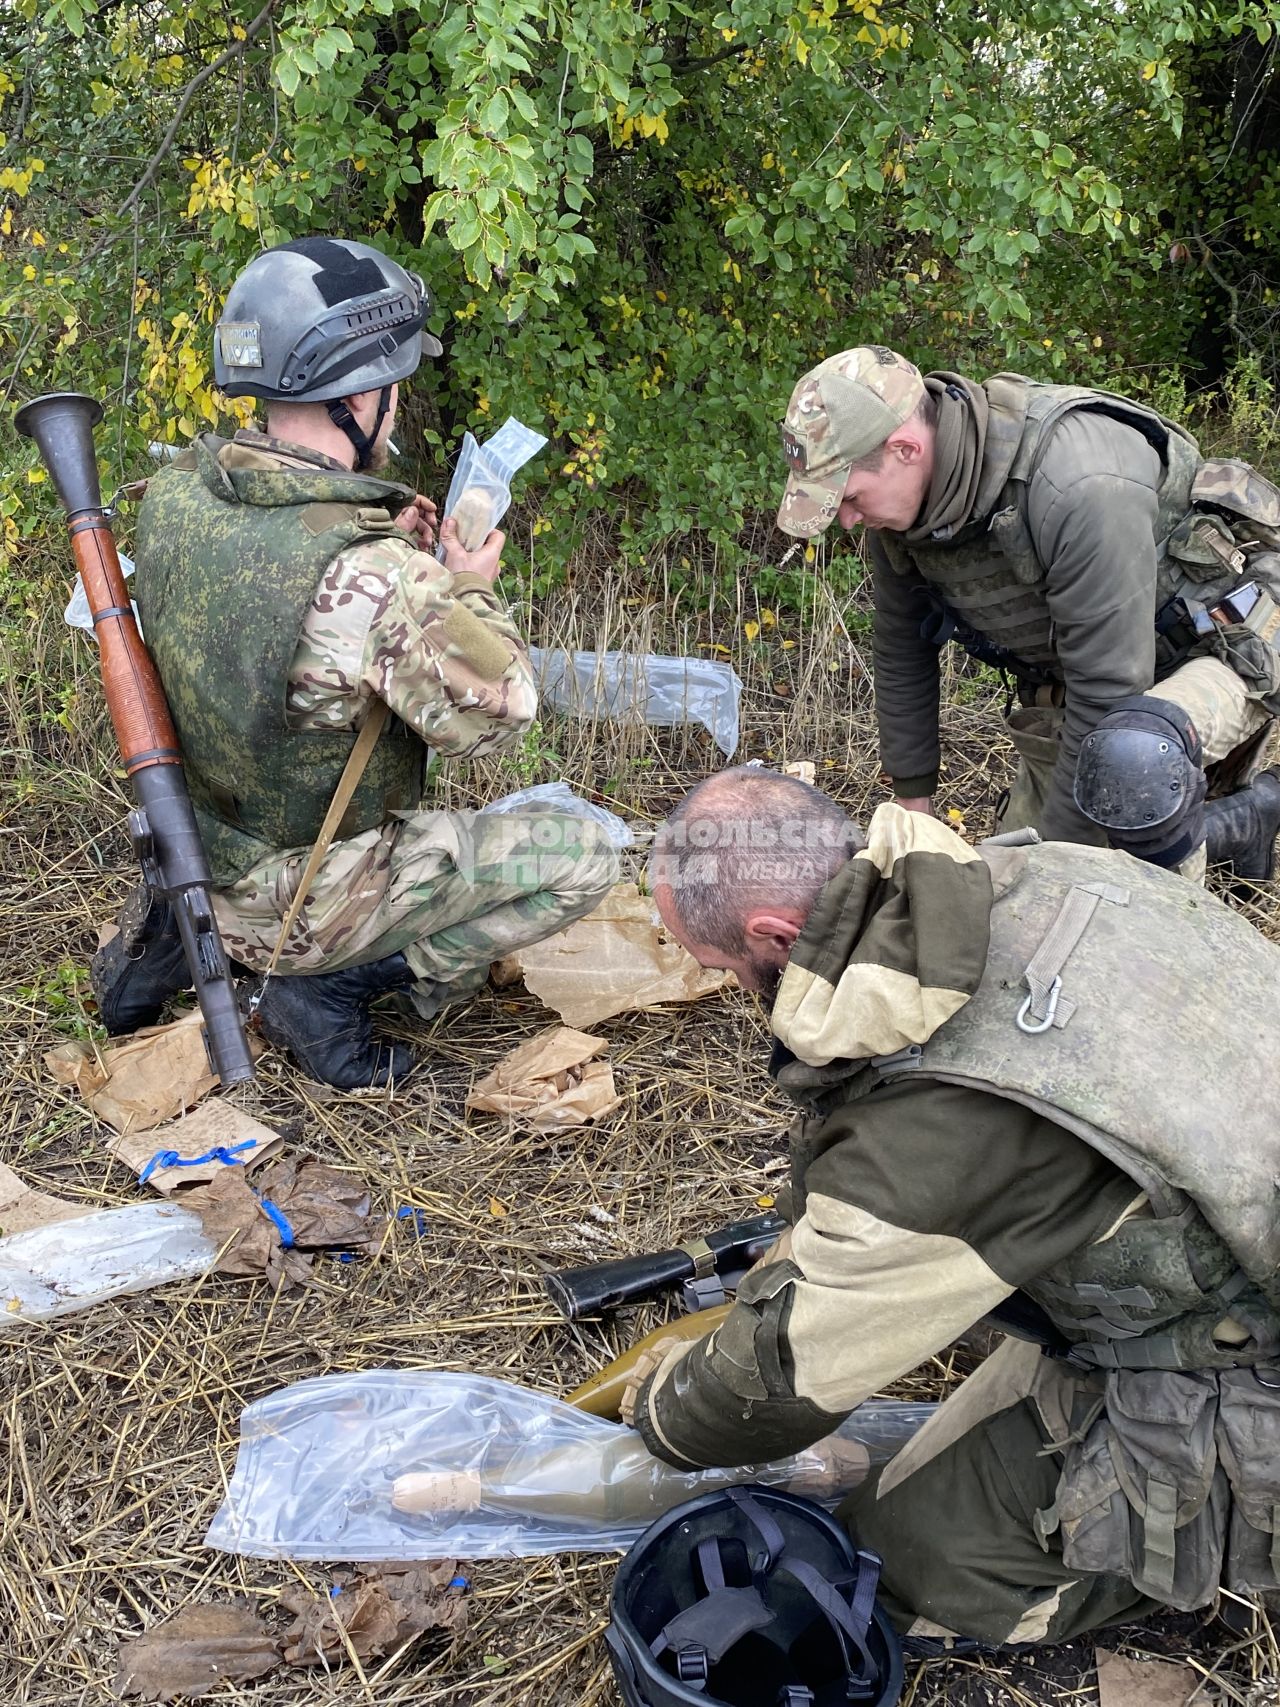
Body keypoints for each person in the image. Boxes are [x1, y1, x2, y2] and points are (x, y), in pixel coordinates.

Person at [626, 764, 1280, 1646]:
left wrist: (660, 1411)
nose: (725, 986)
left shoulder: (940, 1121)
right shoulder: (1029, 872)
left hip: (1251, 1346)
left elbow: (777, 1384)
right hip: (1239, 1204)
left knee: (902, 1563)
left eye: (721, 966)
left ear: (776, 935)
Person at [92, 236, 617, 1087]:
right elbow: (501, 714)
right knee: (586, 853)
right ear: (361, 395)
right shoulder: (380, 578)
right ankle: (327, 987)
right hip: (299, 901)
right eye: (395, 385)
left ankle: (184, 941)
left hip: (191, 850)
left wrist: (390, 548)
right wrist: (465, 586)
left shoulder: (183, 493)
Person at [775, 345, 1280, 882]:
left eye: (850, 497)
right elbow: (902, 649)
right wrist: (912, 814)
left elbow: (1109, 691)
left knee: (1127, 784)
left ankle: (1211, 872)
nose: (848, 521)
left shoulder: (1077, 484)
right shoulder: (902, 512)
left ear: (905, 449)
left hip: (1231, 635)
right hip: (1112, 669)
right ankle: (1235, 822)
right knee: (1005, 882)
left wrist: (1062, 870)